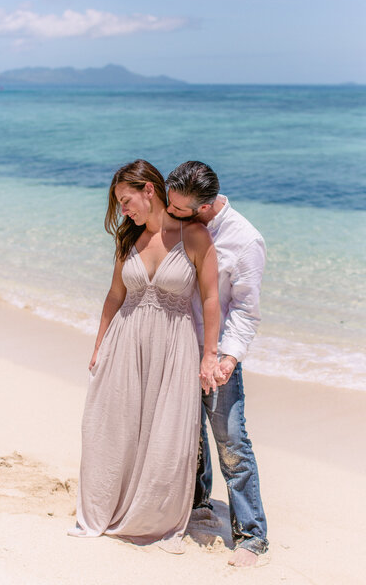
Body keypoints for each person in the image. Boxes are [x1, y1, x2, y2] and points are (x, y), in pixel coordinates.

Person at [68, 159, 221, 553]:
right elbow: (115, 295)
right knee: (114, 424)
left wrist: (210, 356)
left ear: (148, 190)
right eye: (120, 203)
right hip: (126, 340)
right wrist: (99, 344)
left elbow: (210, 299)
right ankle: (109, 503)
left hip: (174, 346)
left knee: (165, 431)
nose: (124, 209)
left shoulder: (195, 236)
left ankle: (153, 513)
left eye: (126, 200)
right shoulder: (127, 237)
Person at [166, 160, 269, 566]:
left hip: (218, 356)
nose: (171, 215)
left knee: (231, 442)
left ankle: (252, 535)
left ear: (204, 208)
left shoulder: (245, 240)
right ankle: (198, 504)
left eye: (178, 210)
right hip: (177, 349)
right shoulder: (182, 221)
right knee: (188, 436)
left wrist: (225, 359)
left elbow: (246, 310)